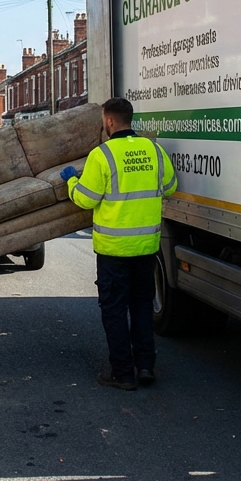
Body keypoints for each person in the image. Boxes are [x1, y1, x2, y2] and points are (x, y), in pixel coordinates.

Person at [62, 97, 177, 391]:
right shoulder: (153, 149)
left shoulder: (102, 155)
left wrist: (70, 182)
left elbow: (85, 199)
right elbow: (171, 186)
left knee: (114, 310)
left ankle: (123, 373)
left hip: (114, 250)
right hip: (146, 248)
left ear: (110, 121)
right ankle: (146, 366)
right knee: (141, 306)